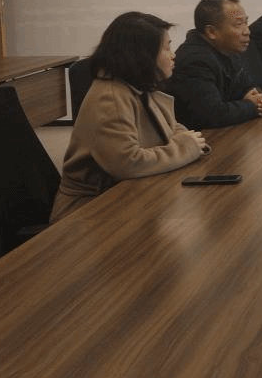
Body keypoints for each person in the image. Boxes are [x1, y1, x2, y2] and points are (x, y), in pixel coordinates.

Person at [51, 12, 209, 222]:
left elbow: (170, 125)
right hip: (89, 211)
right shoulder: (110, 98)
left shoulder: (137, 86)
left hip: (126, 195)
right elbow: (128, 163)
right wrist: (186, 147)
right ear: (143, 55)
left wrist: (187, 140)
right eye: (166, 48)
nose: (173, 56)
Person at [165, 0, 262, 129]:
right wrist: (252, 106)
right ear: (212, 32)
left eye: (246, 22)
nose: (247, 31)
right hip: (204, 137)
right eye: (238, 24)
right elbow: (211, 114)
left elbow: (247, 86)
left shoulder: (228, 49)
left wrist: (256, 97)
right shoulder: (195, 60)